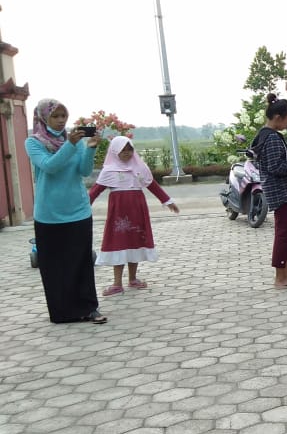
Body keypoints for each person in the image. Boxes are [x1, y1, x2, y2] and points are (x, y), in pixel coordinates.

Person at [24, 98, 107, 324]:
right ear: (44, 118)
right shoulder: (33, 142)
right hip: (49, 214)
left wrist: (90, 148)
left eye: (64, 116)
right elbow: (49, 167)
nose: (61, 121)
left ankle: (90, 308)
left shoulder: (74, 140)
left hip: (78, 210)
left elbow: (84, 171)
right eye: (55, 116)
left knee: (81, 262)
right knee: (55, 266)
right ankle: (63, 312)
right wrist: (70, 145)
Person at [89, 136, 180, 296]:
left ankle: (133, 279)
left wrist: (168, 201)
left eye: (129, 149)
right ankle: (117, 283)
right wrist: (82, 207)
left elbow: (152, 186)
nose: (126, 153)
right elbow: (95, 191)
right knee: (118, 244)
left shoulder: (140, 168)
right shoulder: (109, 170)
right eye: (122, 150)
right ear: (114, 151)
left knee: (135, 242)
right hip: (118, 214)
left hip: (137, 211)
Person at [251, 94, 287, 289]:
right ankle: (280, 278)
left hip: (284, 191)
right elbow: (276, 167)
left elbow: (280, 161)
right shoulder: (271, 138)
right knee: (285, 232)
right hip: (281, 192)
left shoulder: (268, 136)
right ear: (278, 117)